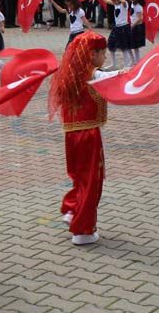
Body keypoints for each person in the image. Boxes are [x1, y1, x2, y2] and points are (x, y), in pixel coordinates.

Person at [49, 32, 120, 246]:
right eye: (102, 53)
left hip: (71, 135)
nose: (105, 58)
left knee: (79, 176)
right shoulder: (92, 74)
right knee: (92, 180)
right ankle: (83, 230)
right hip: (89, 134)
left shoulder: (68, 74)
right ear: (92, 54)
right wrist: (131, 73)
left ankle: (72, 209)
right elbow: (111, 77)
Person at [107, 0, 132, 69]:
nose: (112, 0)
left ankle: (127, 64)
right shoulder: (115, 4)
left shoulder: (124, 4)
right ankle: (113, 63)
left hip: (124, 27)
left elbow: (123, 1)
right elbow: (106, 1)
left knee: (124, 47)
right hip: (116, 27)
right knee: (110, 43)